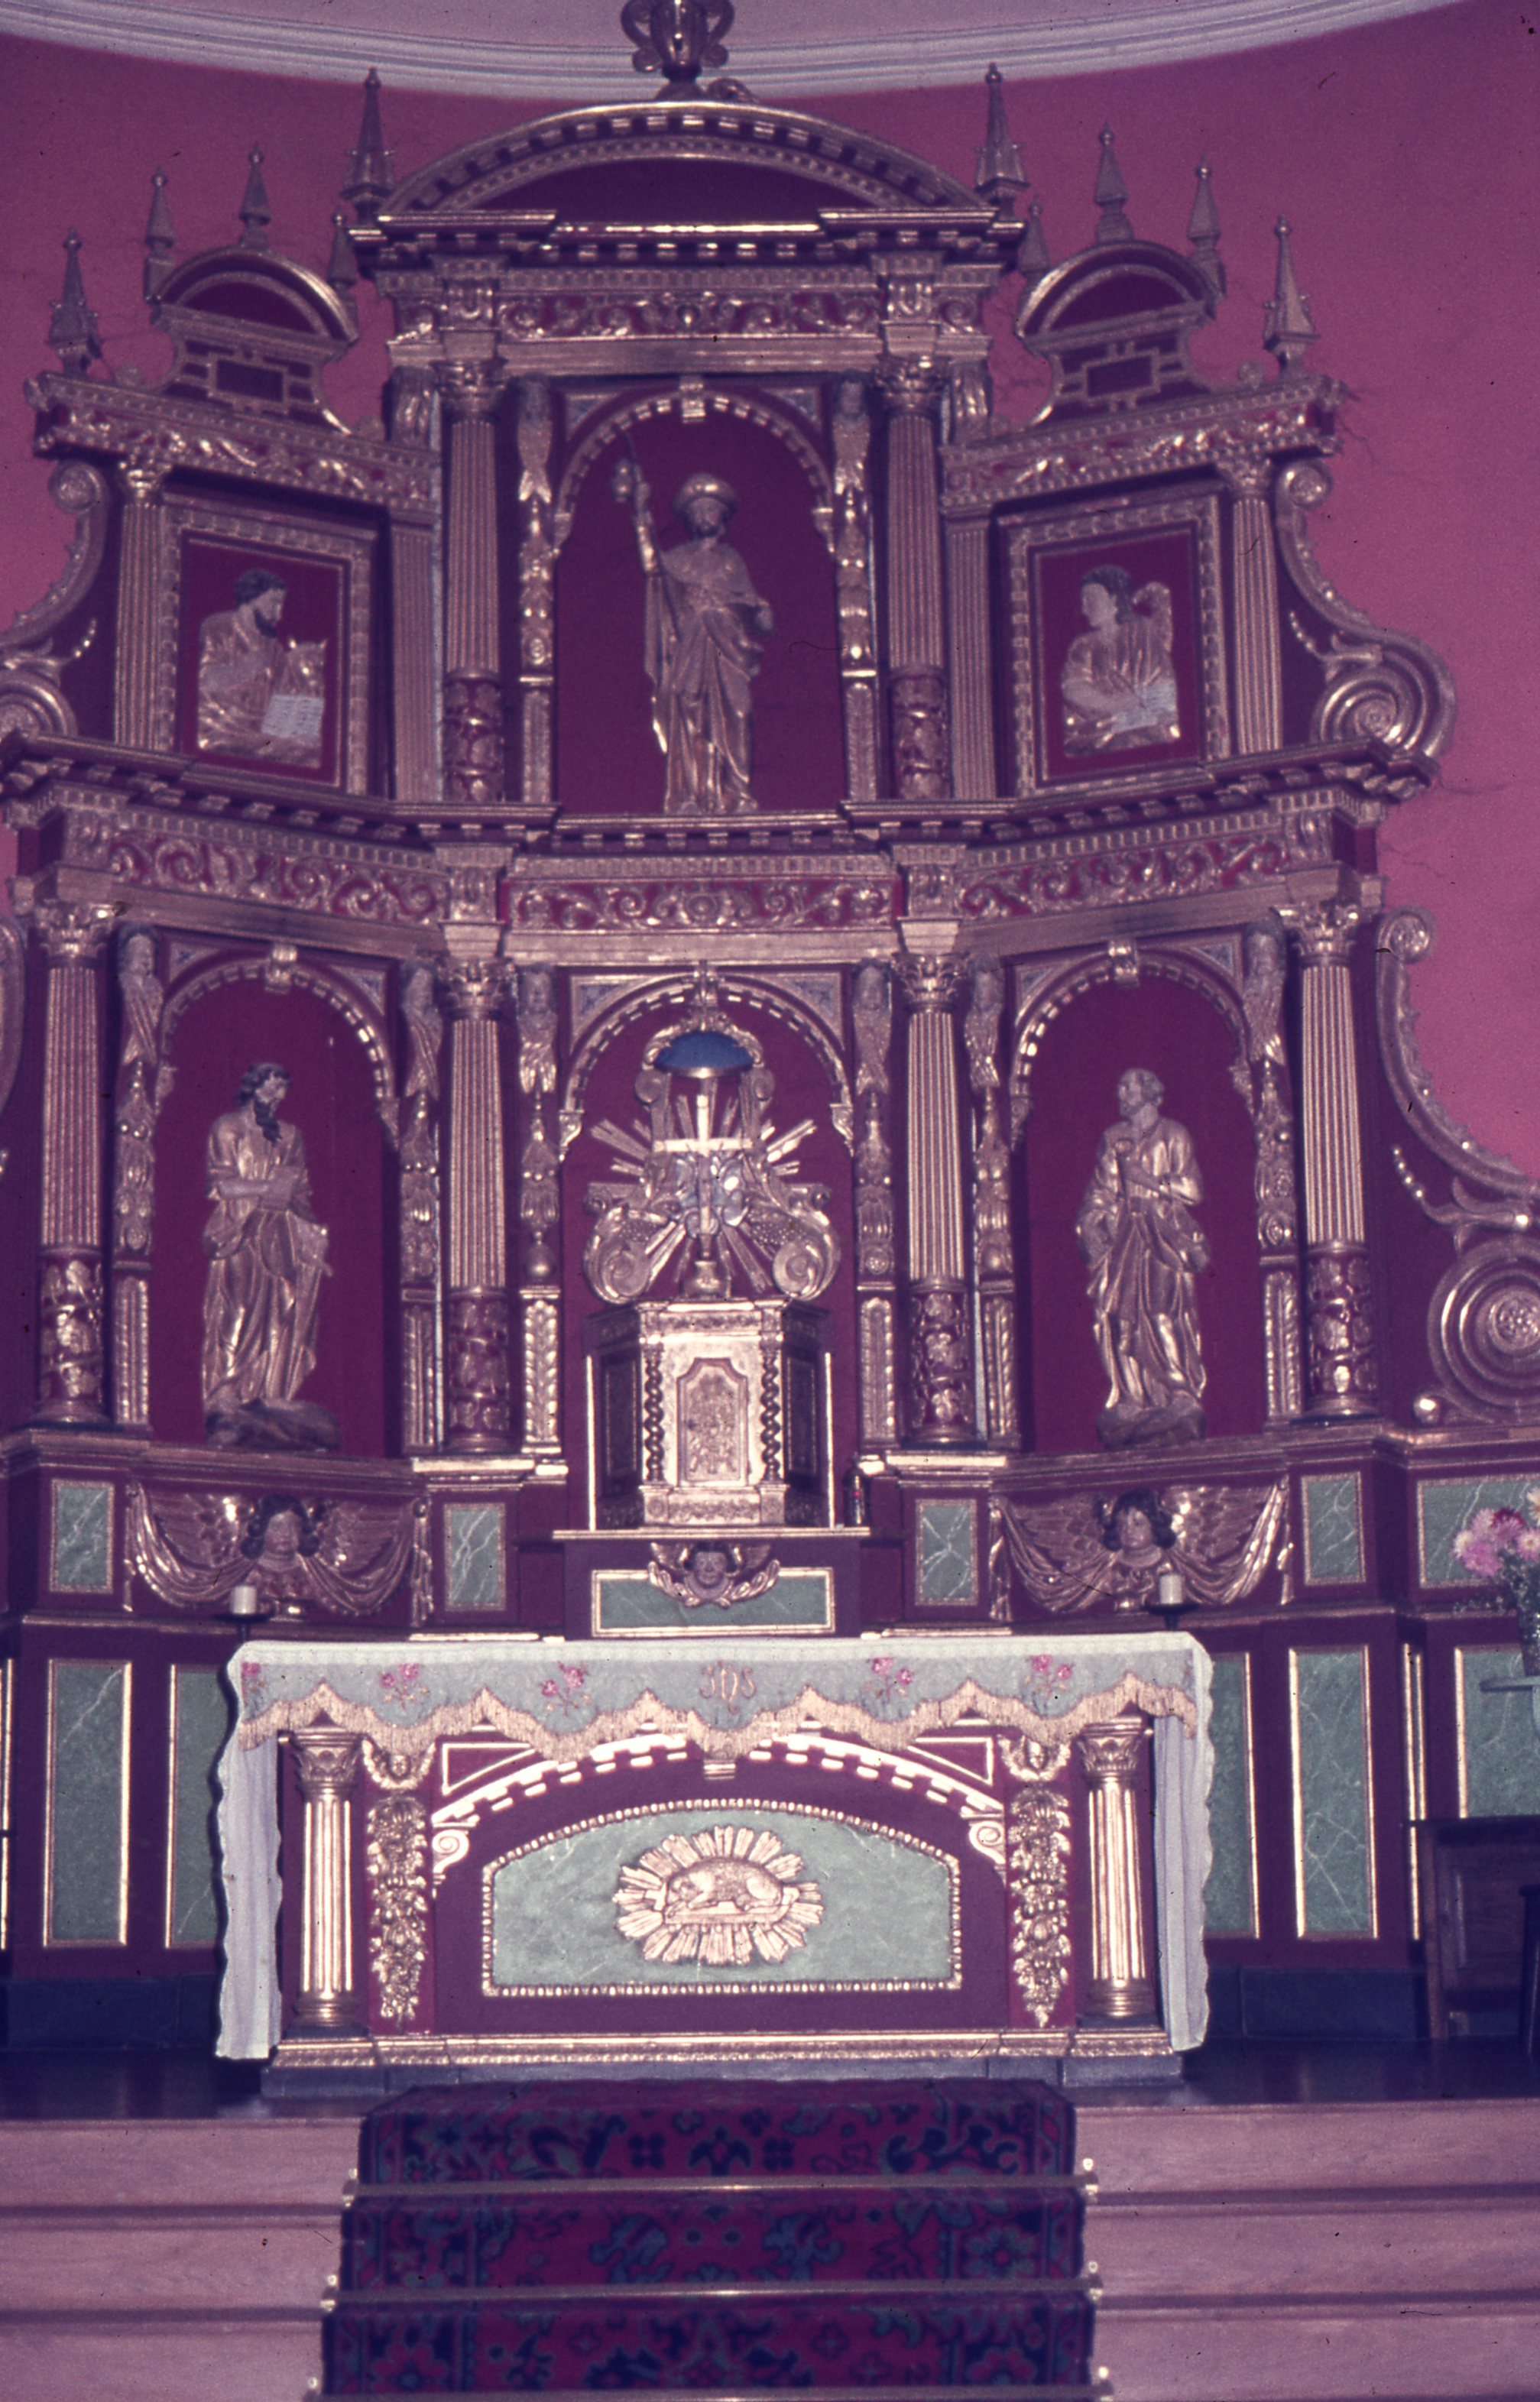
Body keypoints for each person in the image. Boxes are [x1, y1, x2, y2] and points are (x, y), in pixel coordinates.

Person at [613, 461, 773, 814]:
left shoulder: (730, 560)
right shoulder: (679, 559)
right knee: (689, 715)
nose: (703, 516)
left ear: (721, 516)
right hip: (691, 650)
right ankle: (689, 795)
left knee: (739, 713)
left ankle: (737, 793)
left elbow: (752, 604)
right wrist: (641, 513)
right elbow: (652, 564)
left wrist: (752, 610)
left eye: (709, 509)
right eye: (696, 511)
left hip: (728, 650)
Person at [1076, 1067, 1209, 1447]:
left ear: (1149, 1092)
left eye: (1128, 1086)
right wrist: (1094, 1222)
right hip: (1124, 1237)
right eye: (1120, 1086)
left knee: (1162, 1311)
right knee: (1119, 1317)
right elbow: (1101, 1191)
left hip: (1162, 1234)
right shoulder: (1113, 1138)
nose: (1121, 1093)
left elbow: (1193, 1190)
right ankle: (1132, 1397)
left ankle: (1179, 1392)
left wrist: (1146, 1180)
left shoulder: (1174, 1135)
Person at [202, 1062, 331, 1442]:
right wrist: (265, 1189)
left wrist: (306, 1223)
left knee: (281, 1309)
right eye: (268, 1087)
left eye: (281, 1089)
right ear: (252, 1087)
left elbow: (300, 1189)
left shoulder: (290, 1135)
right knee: (238, 1306)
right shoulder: (228, 1127)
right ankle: (226, 1391)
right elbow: (223, 1185)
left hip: (281, 1233)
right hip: (238, 1231)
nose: (275, 1096)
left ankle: (270, 1392)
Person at [196, 567, 325, 766]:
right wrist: (247, 668)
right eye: (273, 602)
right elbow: (209, 681)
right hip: (224, 726)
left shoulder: (273, 647)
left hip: (262, 732)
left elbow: (286, 695)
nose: (278, 614)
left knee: (311, 753)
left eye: (280, 604)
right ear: (253, 597)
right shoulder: (219, 626)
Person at [1062, 565, 1180, 753]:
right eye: (1083, 601)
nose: (1084, 609)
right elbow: (1073, 687)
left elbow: (1162, 682)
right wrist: (1112, 705)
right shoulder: (1083, 645)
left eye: (1091, 599)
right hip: (1100, 732)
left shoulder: (1143, 633)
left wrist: (1142, 704)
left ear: (1114, 600)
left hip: (1149, 730)